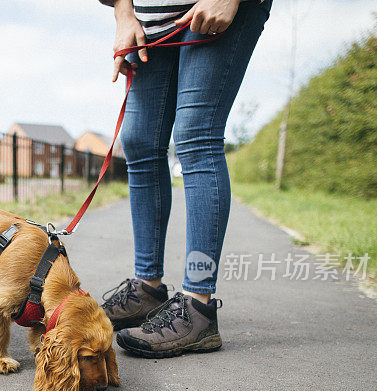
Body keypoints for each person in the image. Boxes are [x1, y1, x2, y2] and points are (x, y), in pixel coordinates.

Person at [97, 0, 271, 357]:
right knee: (140, 143)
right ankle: (147, 289)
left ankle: (198, 306)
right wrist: (123, 13)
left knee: (196, 136)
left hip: (211, 10)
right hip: (148, 24)